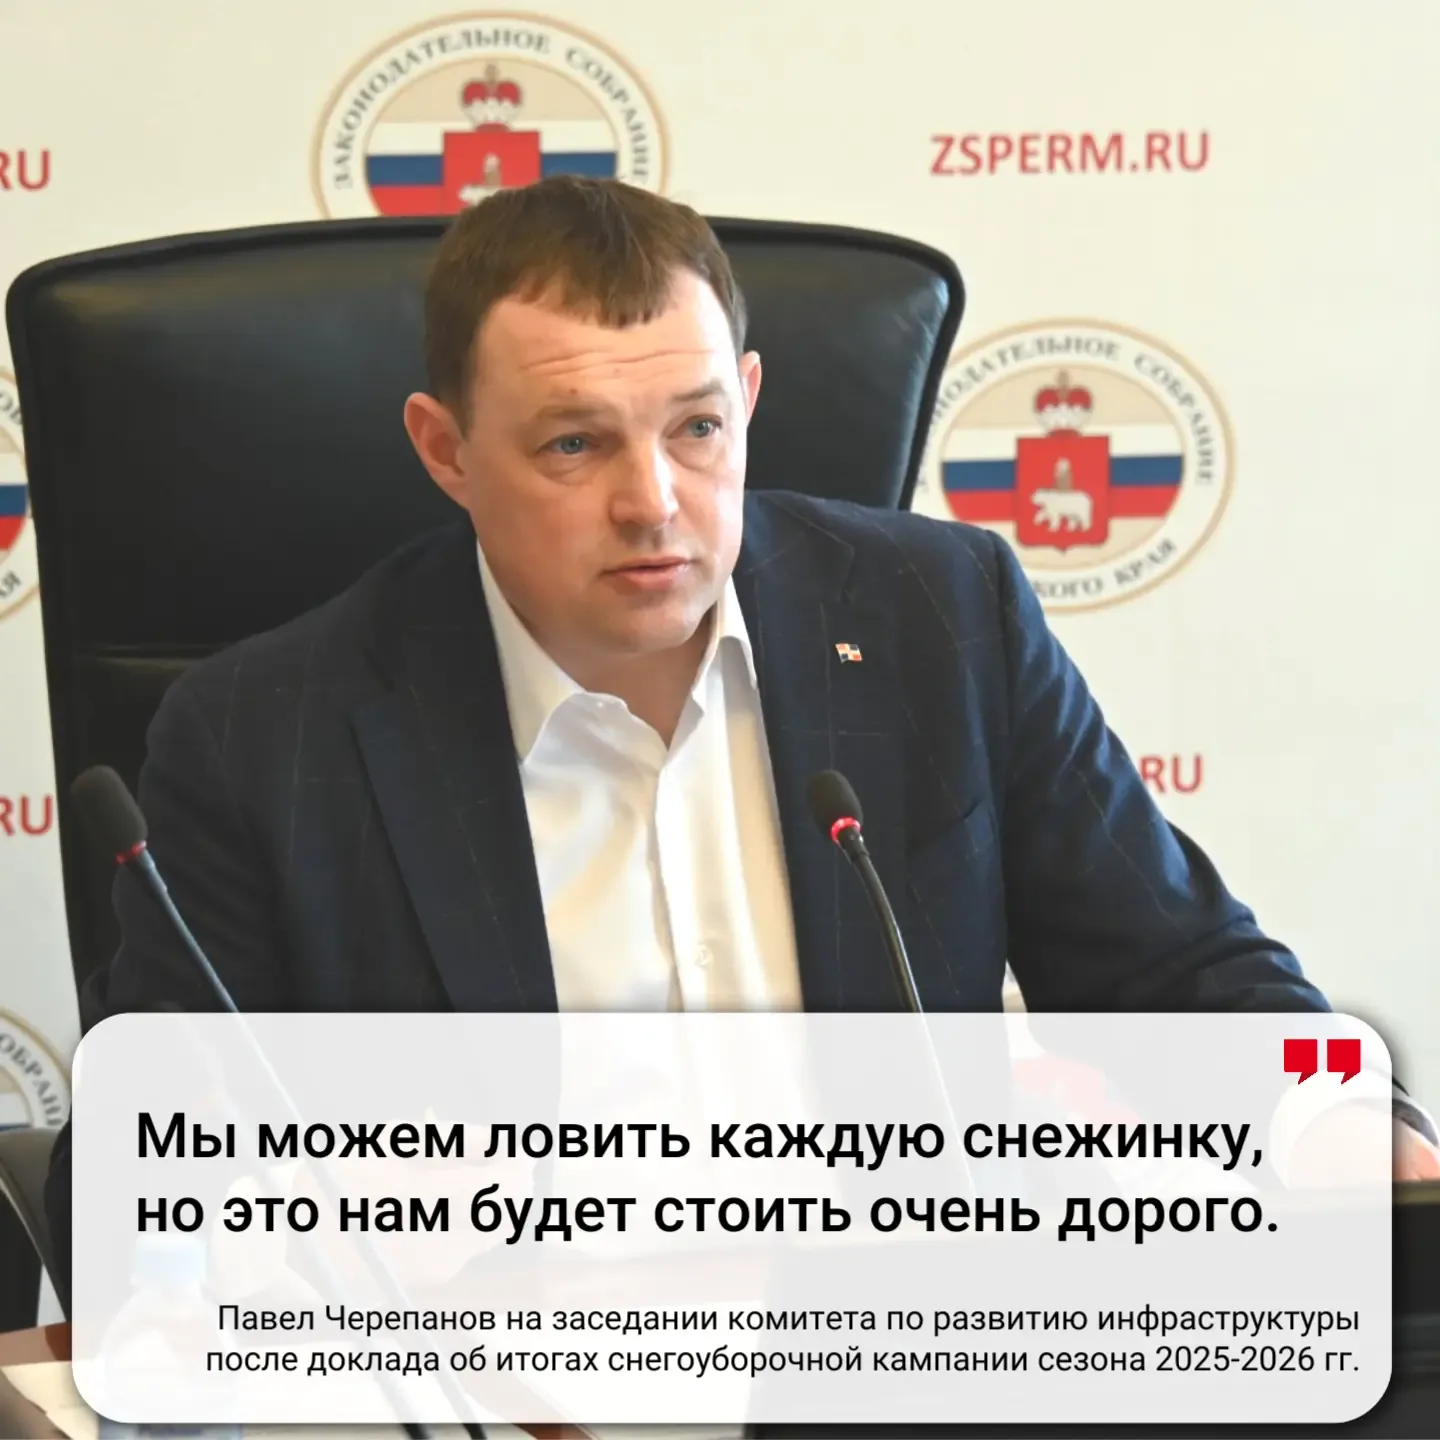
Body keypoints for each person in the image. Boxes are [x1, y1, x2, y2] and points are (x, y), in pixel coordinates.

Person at [45, 176, 1439, 1314]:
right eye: (575, 445)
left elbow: (1183, 972)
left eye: (698, 429)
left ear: (751, 400)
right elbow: (132, 1172)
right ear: (445, 449)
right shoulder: (264, 734)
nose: (655, 502)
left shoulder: (938, 619)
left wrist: (1345, 1123)